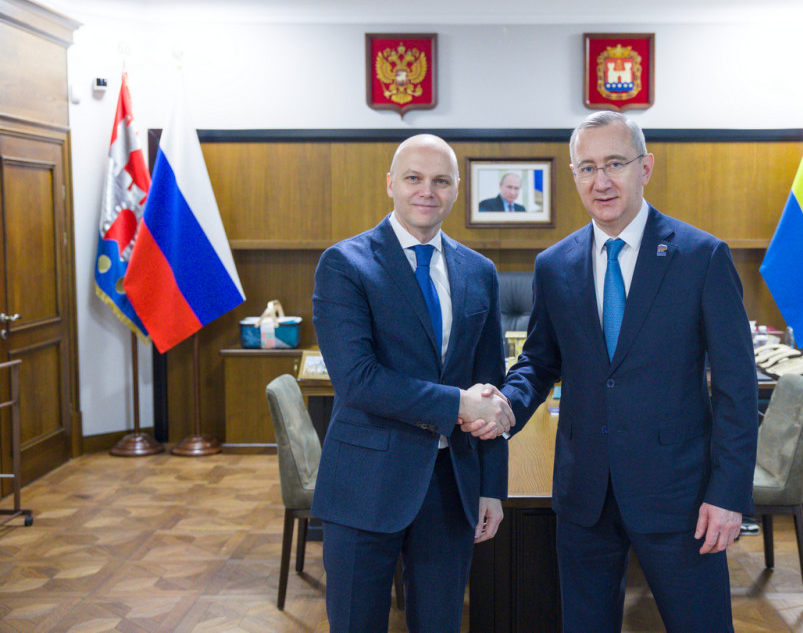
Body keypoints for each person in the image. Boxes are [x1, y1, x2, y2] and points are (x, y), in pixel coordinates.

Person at [470, 112, 758, 632]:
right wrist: (507, 404)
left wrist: (728, 493)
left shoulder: (701, 257)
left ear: (645, 167)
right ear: (574, 176)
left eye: (615, 164)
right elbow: (540, 360)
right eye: (587, 168)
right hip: (585, 494)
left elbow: (737, 387)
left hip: (680, 496)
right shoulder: (554, 265)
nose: (600, 181)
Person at [311, 133, 515, 632]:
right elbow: (358, 380)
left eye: (441, 181)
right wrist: (458, 404)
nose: (428, 191)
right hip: (364, 483)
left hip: (450, 486)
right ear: (390, 184)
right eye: (413, 178)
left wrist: (492, 487)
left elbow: (490, 385)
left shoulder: (479, 272)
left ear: (457, 188)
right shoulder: (345, 264)